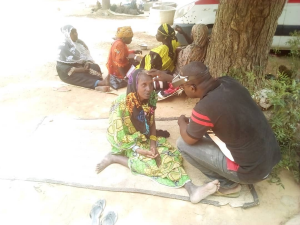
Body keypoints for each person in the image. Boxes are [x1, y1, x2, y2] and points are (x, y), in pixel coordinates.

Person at [95, 69, 220, 203]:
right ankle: (114, 157)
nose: (149, 89)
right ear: (134, 85)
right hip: (126, 143)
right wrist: (138, 149)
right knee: (147, 164)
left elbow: (151, 122)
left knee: (170, 155)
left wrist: (153, 144)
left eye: (150, 84)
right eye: (144, 85)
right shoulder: (121, 104)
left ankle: (192, 188)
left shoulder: (151, 98)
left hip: (145, 137)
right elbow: (117, 135)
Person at [173, 61, 281, 197]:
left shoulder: (205, 107)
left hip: (251, 172)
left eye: (183, 87)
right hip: (270, 158)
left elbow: (188, 139)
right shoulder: (229, 82)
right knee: (205, 130)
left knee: (182, 144)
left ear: (192, 87)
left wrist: (181, 123)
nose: (183, 89)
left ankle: (228, 185)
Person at [56, 25, 109, 91]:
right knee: (79, 76)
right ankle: (99, 83)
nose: (76, 34)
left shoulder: (79, 42)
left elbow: (85, 56)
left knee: (95, 67)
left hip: (80, 65)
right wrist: (81, 70)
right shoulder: (63, 47)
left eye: (76, 31)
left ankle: (98, 85)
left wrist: (87, 63)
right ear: (67, 35)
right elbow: (61, 66)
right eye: (72, 33)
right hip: (68, 71)